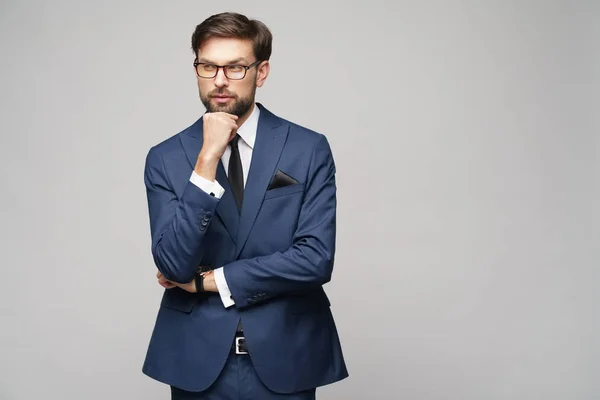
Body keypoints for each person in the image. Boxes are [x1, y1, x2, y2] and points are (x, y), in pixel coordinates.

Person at [141, 11, 348, 400]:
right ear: (197, 69)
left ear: (261, 71)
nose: (220, 80)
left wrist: (208, 281)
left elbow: (315, 259)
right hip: (195, 360)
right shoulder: (166, 158)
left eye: (235, 67)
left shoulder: (307, 148)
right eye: (208, 66)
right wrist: (205, 163)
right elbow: (172, 265)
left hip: (287, 355)